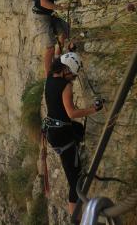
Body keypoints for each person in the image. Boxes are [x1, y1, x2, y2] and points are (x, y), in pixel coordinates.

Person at [43, 52, 103, 222]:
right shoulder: (66, 86)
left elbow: (51, 56)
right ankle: (75, 219)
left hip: (53, 131)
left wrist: (68, 49)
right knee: (75, 180)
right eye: (73, 74)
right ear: (66, 69)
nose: (74, 78)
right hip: (62, 135)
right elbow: (71, 113)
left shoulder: (49, 76)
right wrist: (93, 109)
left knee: (78, 130)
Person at [31, 0, 71, 76]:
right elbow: (44, 2)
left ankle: (57, 59)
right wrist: (60, 7)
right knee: (50, 47)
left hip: (49, 12)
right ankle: (49, 75)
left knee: (64, 31)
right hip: (41, 16)